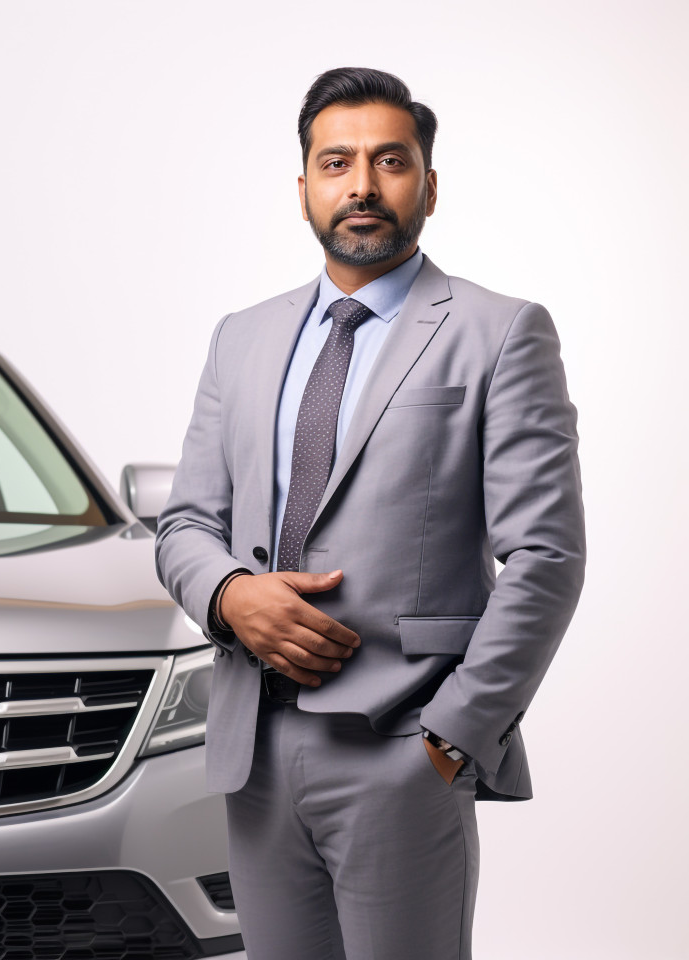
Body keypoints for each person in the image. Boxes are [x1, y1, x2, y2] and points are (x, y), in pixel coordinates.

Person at [155, 67, 585, 960]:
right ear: (305, 187)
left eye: (390, 161)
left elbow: (545, 555)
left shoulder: (499, 331)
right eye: (336, 161)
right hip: (255, 749)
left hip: (402, 747)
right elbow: (186, 524)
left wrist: (452, 737)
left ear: (428, 185)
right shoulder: (242, 337)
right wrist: (232, 593)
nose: (362, 185)